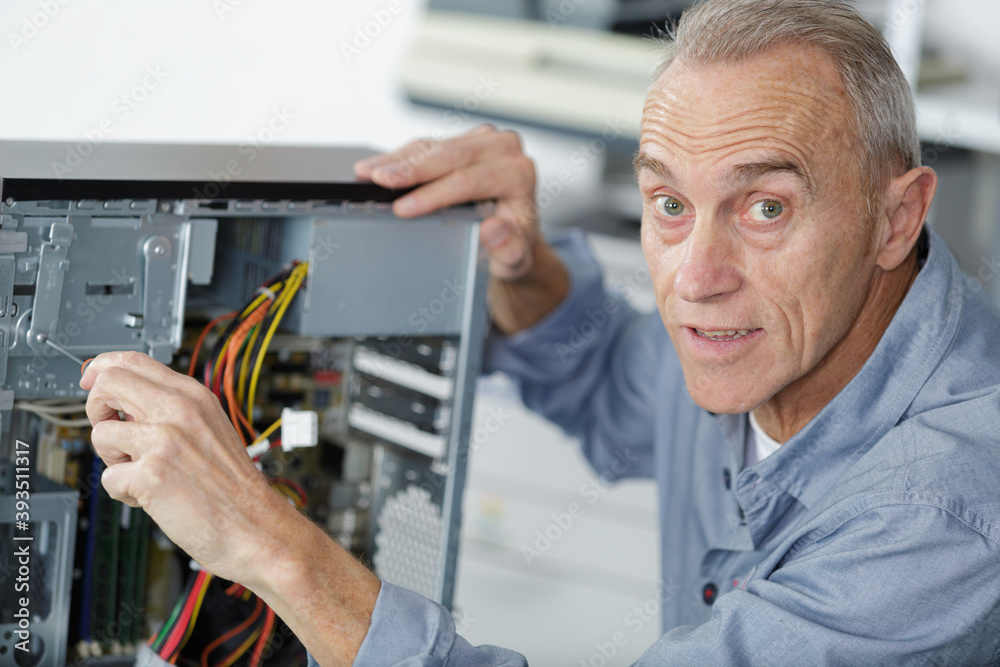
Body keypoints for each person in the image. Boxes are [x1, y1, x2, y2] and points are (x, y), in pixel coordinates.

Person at [81, 0, 1000, 663]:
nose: (697, 277)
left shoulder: (941, 517)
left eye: (766, 206)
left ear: (896, 218)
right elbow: (615, 387)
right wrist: (527, 271)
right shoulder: (770, 343)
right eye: (670, 202)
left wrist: (263, 537)